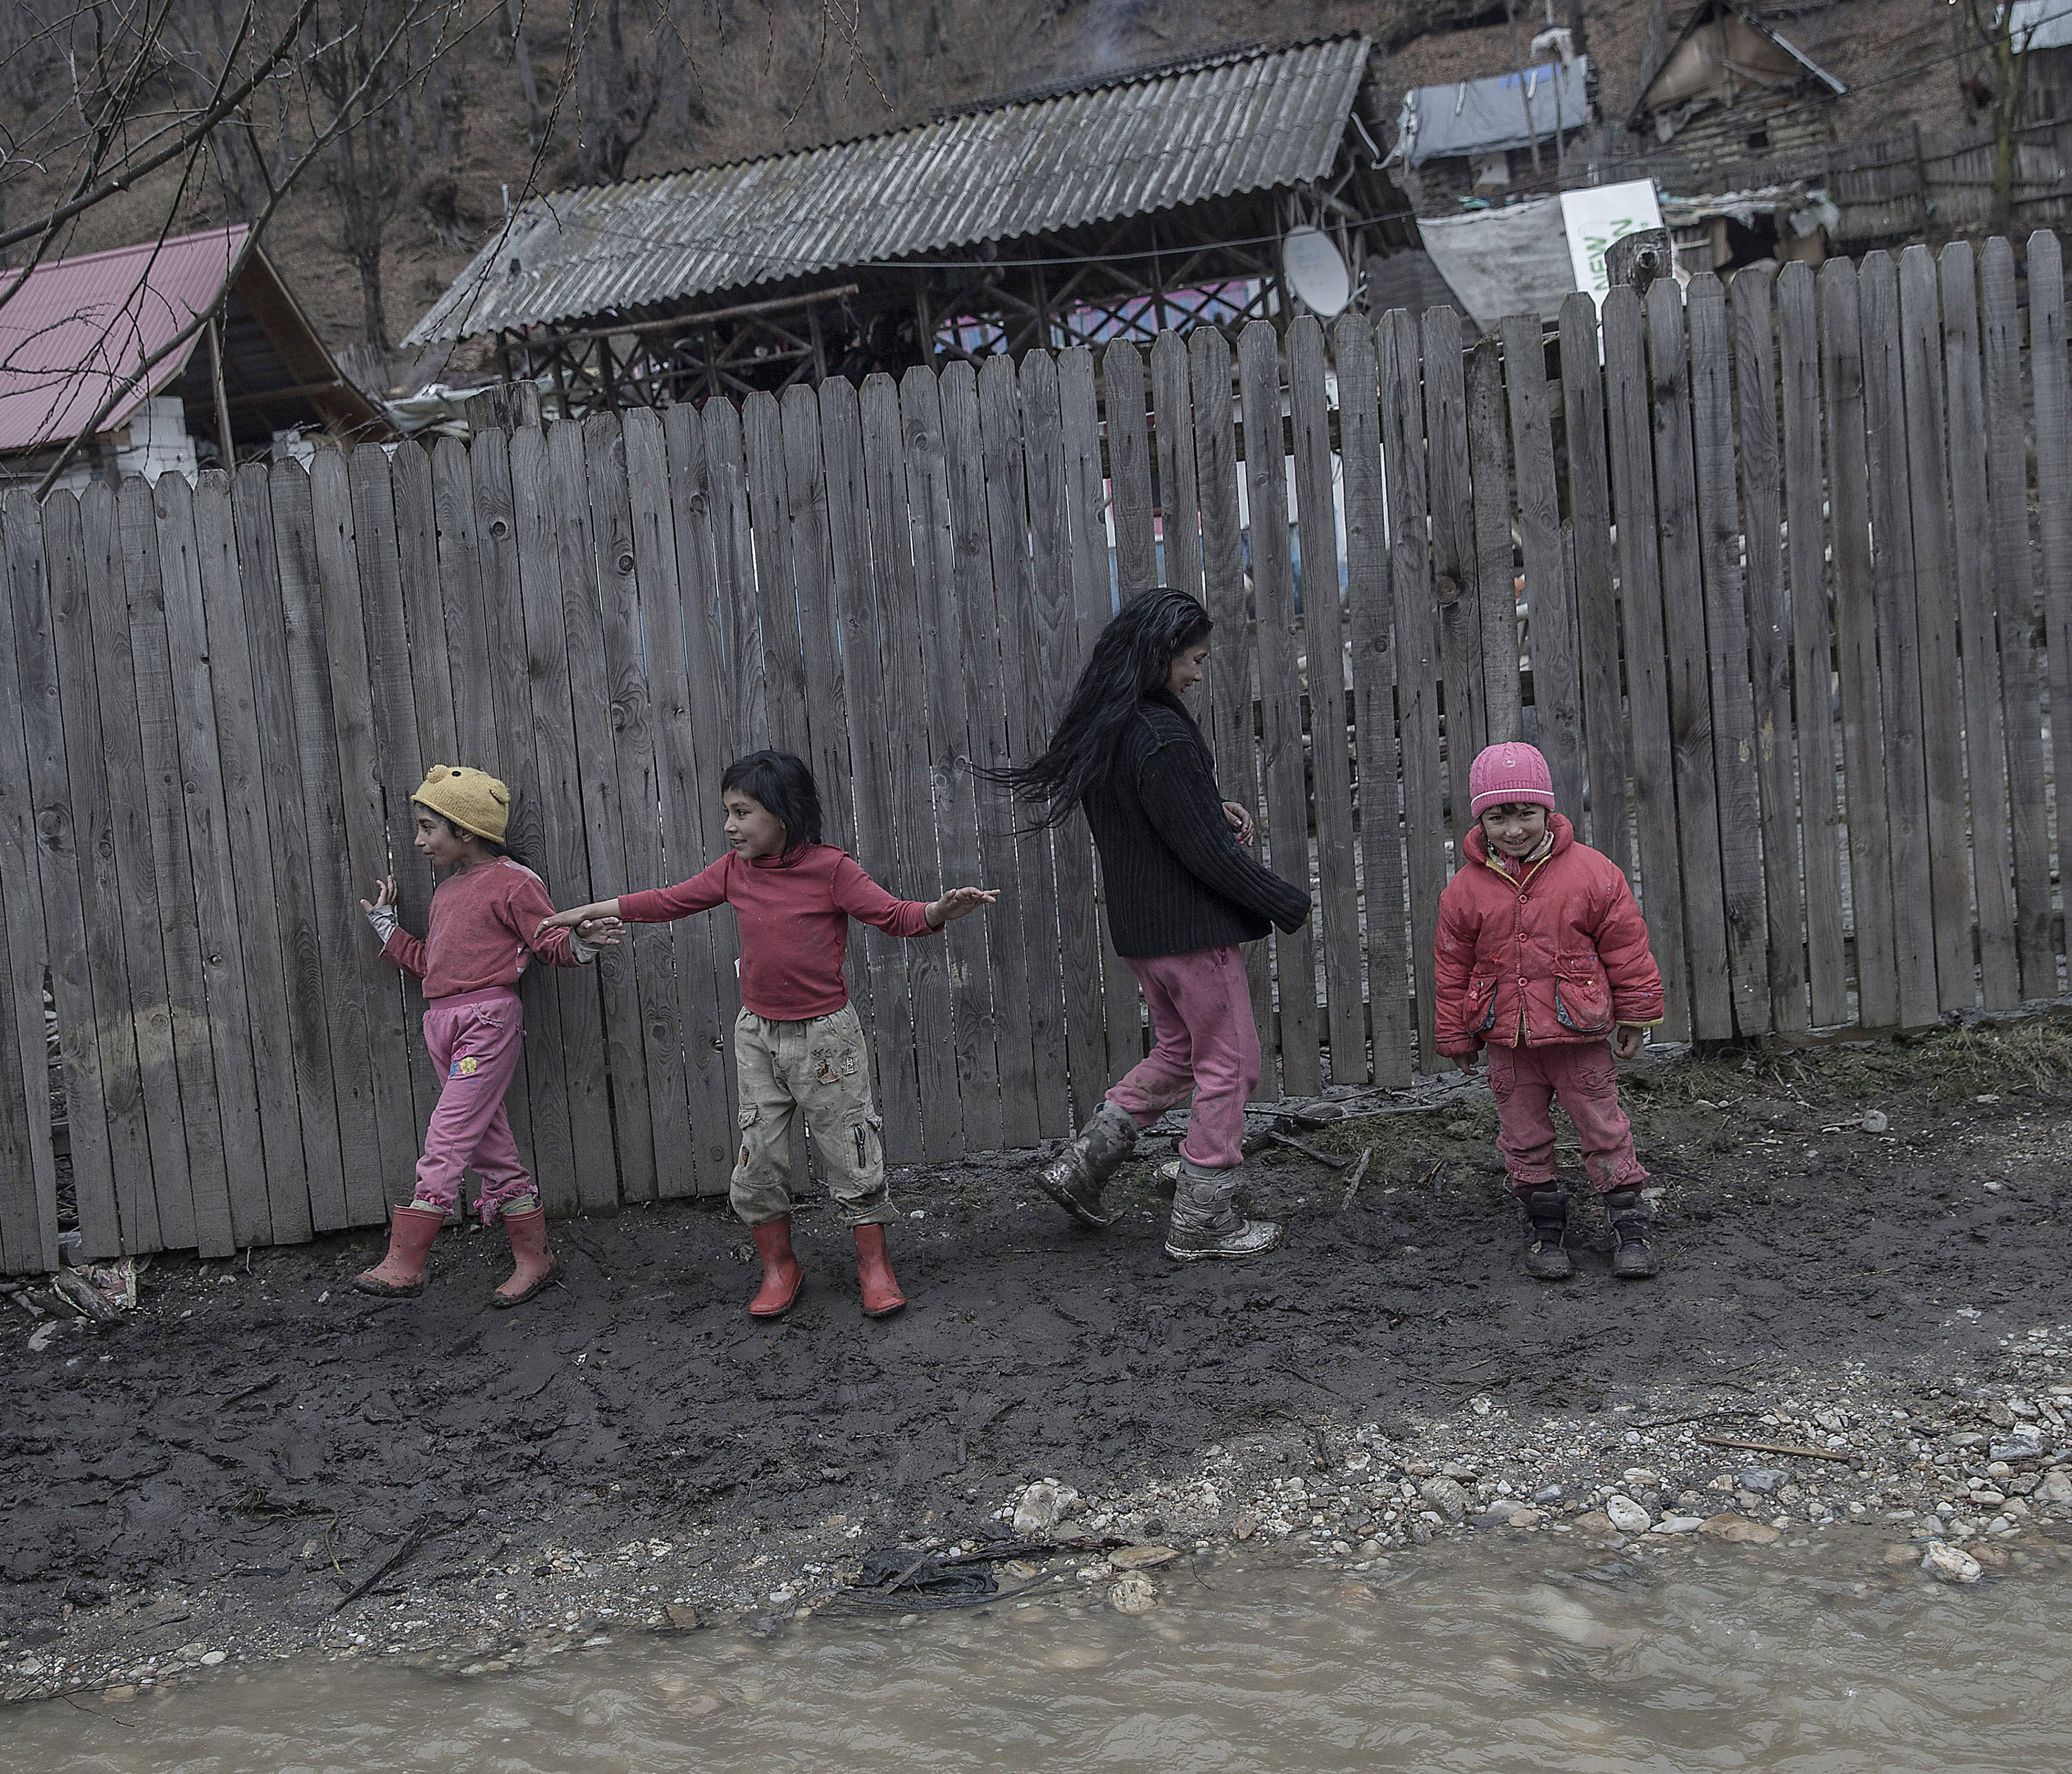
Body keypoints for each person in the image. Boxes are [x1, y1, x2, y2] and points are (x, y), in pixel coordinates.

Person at [539, 750, 995, 1319]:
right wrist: (586, 910)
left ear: (783, 813)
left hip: (826, 1040)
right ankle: (780, 1268)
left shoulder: (832, 870)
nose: (729, 826)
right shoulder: (734, 871)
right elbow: (667, 900)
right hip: (758, 1036)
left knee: (851, 1149)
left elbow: (894, 916)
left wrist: (939, 911)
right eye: (727, 812)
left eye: (742, 812)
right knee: (757, 1160)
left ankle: (874, 1267)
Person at [990, 586, 1311, 1261]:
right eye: (1193, 659)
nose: (1198, 673)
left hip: (1144, 936)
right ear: (1158, 654)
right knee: (1232, 1066)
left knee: (1181, 1053)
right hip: (1189, 934)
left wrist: (1209, 804)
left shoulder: (1111, 724)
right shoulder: (1159, 735)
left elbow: (1155, 818)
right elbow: (1204, 853)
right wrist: (1281, 900)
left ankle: (1084, 1164)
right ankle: (1204, 1215)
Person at [352, 765, 613, 1306]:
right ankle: (535, 1259)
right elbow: (432, 965)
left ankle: (407, 1263)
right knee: (490, 1148)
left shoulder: (515, 882)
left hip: (487, 1024)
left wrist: (583, 941)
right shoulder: (447, 893)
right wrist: (387, 927)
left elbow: (549, 944)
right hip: (441, 1025)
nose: (419, 840)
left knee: (448, 1135)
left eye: (428, 827)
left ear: (466, 831)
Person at [1432, 742, 1665, 1281]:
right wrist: (1457, 1037)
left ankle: (1630, 1226)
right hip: (1507, 1046)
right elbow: (1451, 966)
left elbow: (1627, 948)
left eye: (1525, 814)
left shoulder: (1593, 873)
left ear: (1547, 810)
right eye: (1498, 817)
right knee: (1523, 1137)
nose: (1514, 829)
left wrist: (1636, 1015)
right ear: (1480, 820)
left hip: (1579, 1038)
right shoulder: (1464, 891)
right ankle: (1545, 1231)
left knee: (1603, 1127)